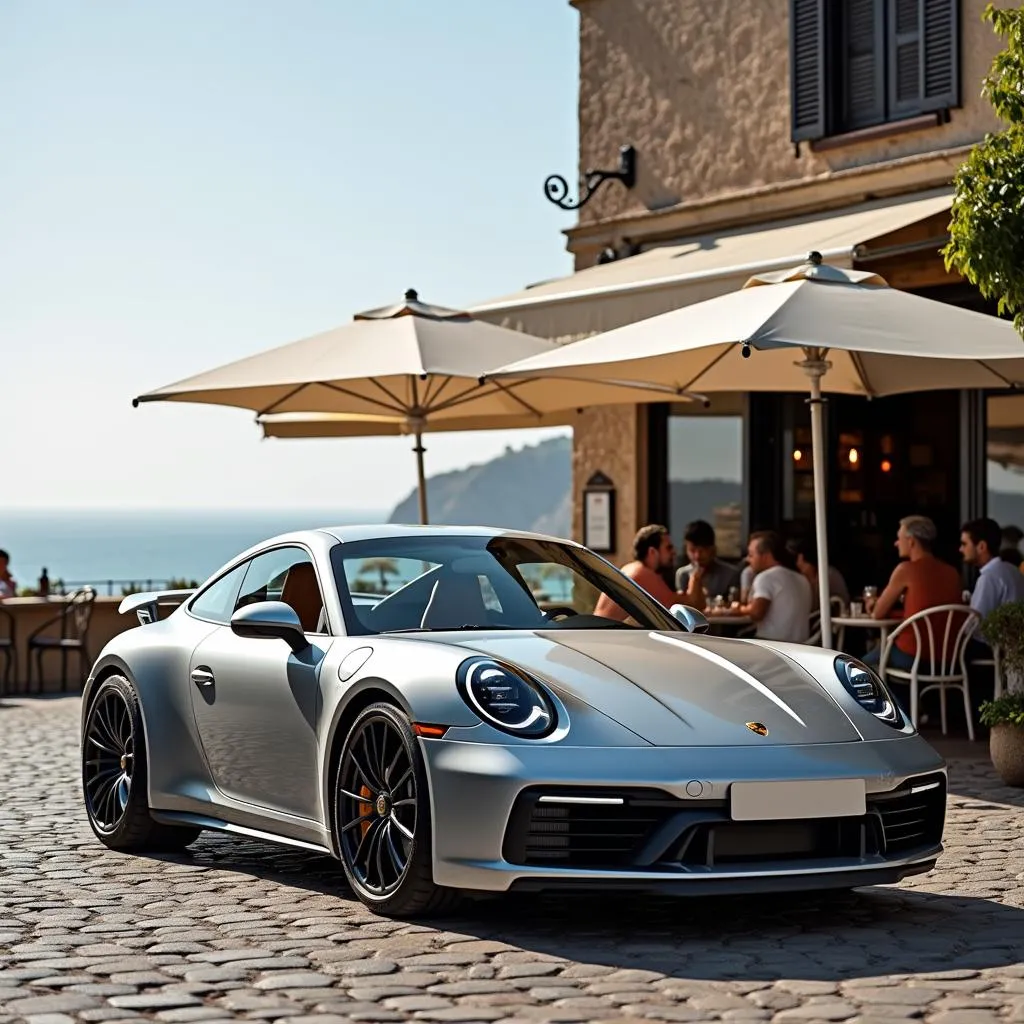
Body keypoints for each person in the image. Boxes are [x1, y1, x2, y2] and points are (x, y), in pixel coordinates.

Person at [864, 515, 963, 671]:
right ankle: (906, 696)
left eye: (899, 538)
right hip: (949, 659)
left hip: (914, 655)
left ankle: (894, 696)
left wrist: (871, 605)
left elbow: (878, 613)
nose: (896, 543)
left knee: (857, 666)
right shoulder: (953, 572)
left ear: (911, 541)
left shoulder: (905, 569)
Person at [594, 524, 705, 621]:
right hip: (608, 638)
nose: (674, 552)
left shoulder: (631, 568)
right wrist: (695, 576)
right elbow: (690, 607)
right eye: (668, 548)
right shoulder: (642, 574)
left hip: (604, 635)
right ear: (652, 552)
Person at [738, 531, 812, 643]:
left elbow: (756, 613)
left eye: (751, 555)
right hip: (802, 646)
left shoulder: (765, 578)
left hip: (772, 646)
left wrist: (739, 609)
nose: (748, 559)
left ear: (766, 556)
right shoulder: (802, 578)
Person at [960, 517, 1024, 635]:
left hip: (994, 649)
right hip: (1013, 646)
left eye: (964, 544)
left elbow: (973, 628)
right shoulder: (1014, 570)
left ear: (982, 547)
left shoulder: (989, 577)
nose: (960, 549)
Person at [675, 519, 740, 600]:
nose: (697, 556)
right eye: (692, 550)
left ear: (713, 550)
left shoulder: (730, 574)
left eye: (702, 551)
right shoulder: (682, 574)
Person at [786, 537, 850, 611]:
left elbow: (841, 603)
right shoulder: (802, 579)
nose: (797, 563)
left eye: (798, 559)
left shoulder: (828, 575)